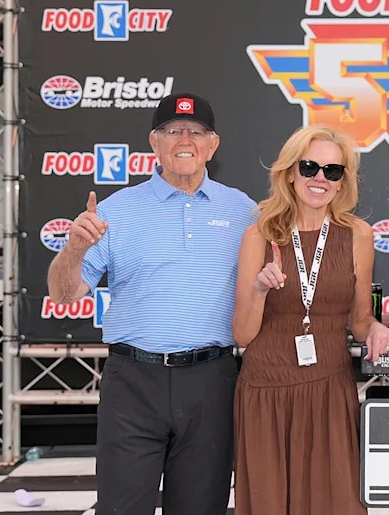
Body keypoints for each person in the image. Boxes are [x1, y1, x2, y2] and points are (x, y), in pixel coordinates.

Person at [47, 93, 255, 515]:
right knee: (122, 508)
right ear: (153, 143)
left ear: (212, 146)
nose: (184, 139)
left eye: (196, 131)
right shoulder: (115, 211)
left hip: (212, 381)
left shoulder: (244, 211)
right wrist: (73, 249)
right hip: (133, 383)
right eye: (172, 130)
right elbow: (63, 294)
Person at [231, 123, 389, 515]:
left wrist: (375, 327)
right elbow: (241, 334)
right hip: (266, 393)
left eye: (332, 171)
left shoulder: (358, 235)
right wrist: (258, 290)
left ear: (342, 183)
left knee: (335, 503)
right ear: (291, 172)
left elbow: (359, 319)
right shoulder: (259, 235)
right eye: (309, 167)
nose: (320, 178)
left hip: (328, 390)